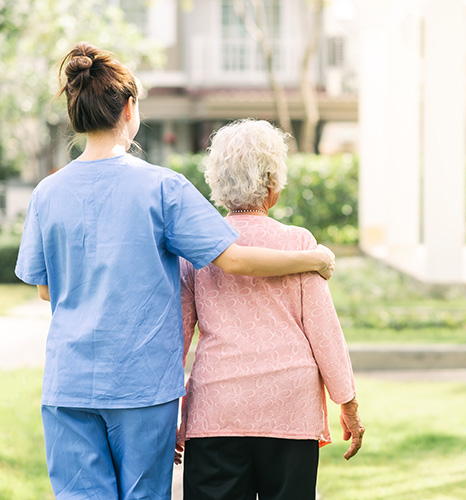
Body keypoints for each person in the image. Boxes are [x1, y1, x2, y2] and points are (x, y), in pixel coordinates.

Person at [14, 43, 335, 500]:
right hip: (142, 386)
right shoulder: (162, 187)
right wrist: (313, 259)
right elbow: (234, 258)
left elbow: (46, 289)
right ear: (130, 108)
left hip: (69, 384)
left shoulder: (47, 193)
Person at [177, 119, 365, 500]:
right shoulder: (299, 244)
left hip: (217, 410)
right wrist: (348, 405)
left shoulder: (198, 249)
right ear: (272, 183)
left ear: (217, 181)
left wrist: (169, 416)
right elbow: (324, 333)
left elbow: (175, 339)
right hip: (288, 409)